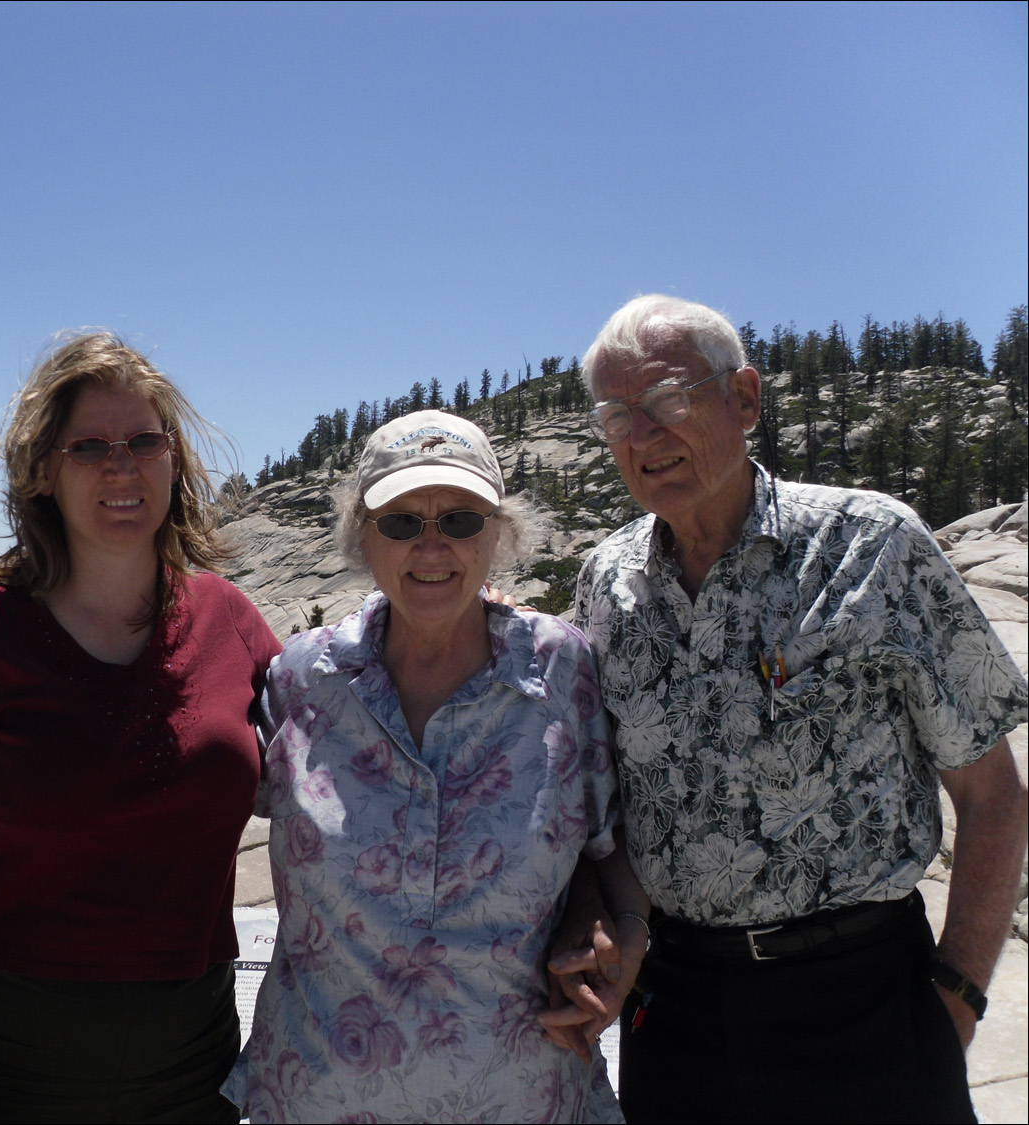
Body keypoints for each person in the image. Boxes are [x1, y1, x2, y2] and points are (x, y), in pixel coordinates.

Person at [553, 294, 1029, 1122]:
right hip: (678, 1007)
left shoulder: (872, 546)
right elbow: (601, 804)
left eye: (668, 399)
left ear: (744, 398)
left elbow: (992, 797)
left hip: (867, 999)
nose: (643, 433)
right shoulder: (605, 584)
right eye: (616, 414)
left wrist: (955, 995)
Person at [0, 332, 280, 1124]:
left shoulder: (227, 619)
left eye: (144, 441)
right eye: (89, 445)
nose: (121, 465)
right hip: (1, 1063)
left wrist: (469, 621)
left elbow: (348, 721)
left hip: (190, 1062)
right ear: (44, 473)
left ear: (175, 460)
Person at [224, 410, 649, 1124]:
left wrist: (624, 930)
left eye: (459, 519)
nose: (432, 545)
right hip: (317, 1099)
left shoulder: (563, 670)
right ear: (362, 535)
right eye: (400, 522)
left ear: (499, 533)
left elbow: (609, 843)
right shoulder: (301, 677)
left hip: (525, 1099)